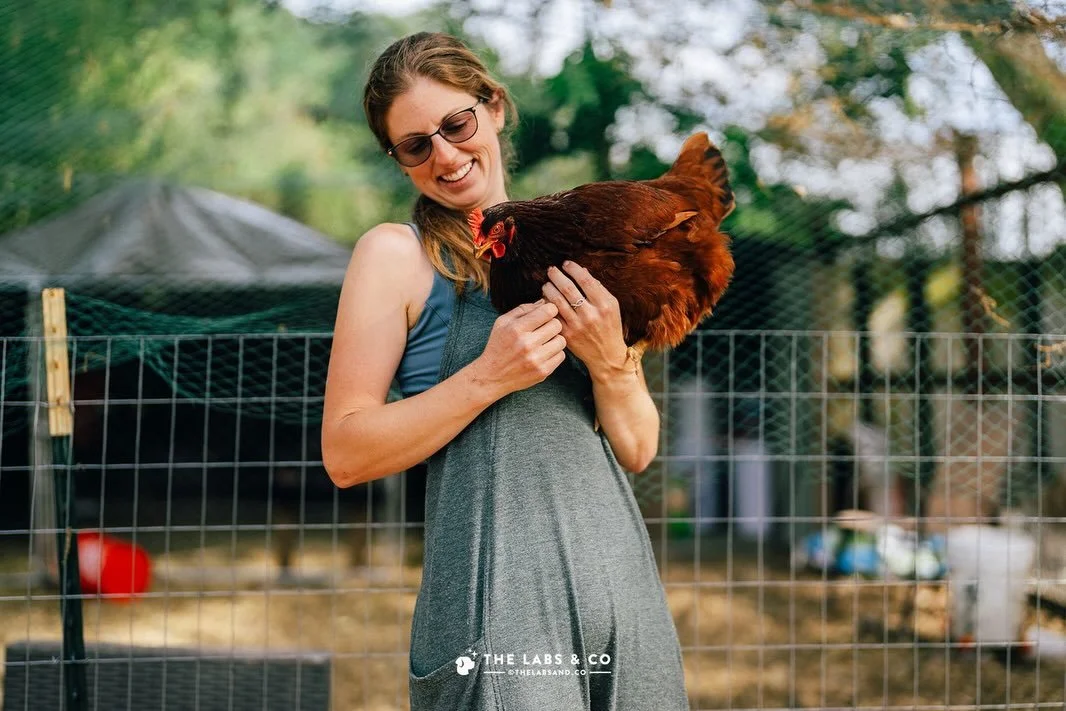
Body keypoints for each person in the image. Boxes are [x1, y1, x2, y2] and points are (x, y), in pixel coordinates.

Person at [322, 31, 689, 710]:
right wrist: (487, 376)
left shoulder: (574, 242)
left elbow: (637, 447)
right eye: (415, 144)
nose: (446, 155)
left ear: (492, 107)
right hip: (500, 614)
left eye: (456, 124)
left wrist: (612, 364)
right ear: (399, 160)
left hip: (620, 593)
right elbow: (345, 452)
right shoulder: (396, 256)